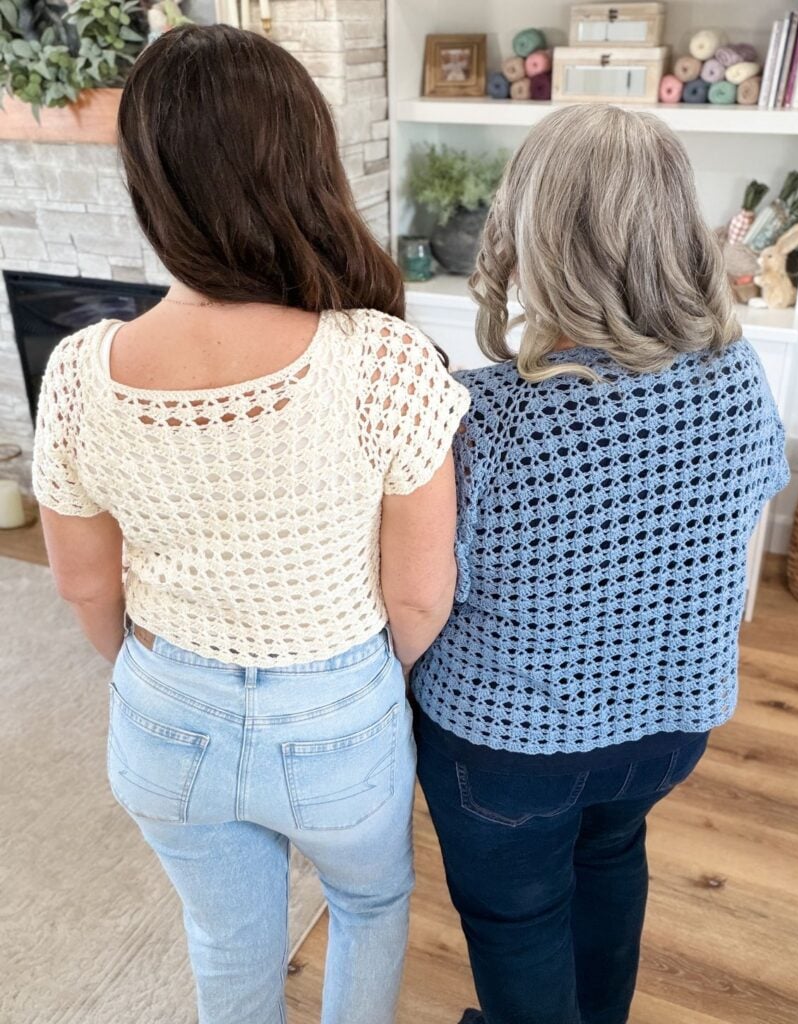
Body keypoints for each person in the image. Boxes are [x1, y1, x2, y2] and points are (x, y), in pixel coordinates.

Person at [32, 25, 469, 1024]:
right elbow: (418, 593)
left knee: (228, 941)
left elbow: (85, 586)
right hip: (338, 714)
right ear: (305, 167)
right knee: (369, 904)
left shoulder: (79, 373)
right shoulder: (387, 360)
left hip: (162, 716)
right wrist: (357, 685)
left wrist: (154, 677)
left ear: (150, 184)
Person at [412, 104, 790, 1024]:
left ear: (528, 231)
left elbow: (420, 594)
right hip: (667, 728)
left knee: (517, 918)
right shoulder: (736, 377)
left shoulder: (481, 418)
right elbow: (740, 514)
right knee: (610, 856)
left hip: (504, 747)